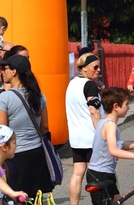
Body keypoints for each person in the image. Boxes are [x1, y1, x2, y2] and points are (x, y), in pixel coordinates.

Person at [86, 87, 134, 205]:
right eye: (126, 104)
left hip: (104, 173)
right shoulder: (110, 125)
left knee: (119, 202)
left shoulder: (105, 121)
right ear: (116, 106)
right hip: (100, 175)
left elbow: (119, 144)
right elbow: (114, 150)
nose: (128, 107)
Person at [0, 55, 55, 196]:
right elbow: (44, 127)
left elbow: (2, 131)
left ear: (14, 72)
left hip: (16, 157)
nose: (2, 72)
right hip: (37, 154)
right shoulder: (39, 95)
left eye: (4, 68)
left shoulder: (5, 98)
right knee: (34, 197)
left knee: (17, 197)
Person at [66, 53, 103, 205]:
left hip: (76, 138)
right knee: (99, 175)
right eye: (95, 67)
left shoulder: (72, 84)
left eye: (99, 66)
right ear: (84, 68)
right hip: (91, 137)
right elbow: (93, 111)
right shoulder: (89, 85)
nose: (98, 70)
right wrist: (103, 134)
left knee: (77, 173)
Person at [0, 125, 28, 203]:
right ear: (4, 147)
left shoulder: (3, 167)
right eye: (14, 142)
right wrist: (12, 193)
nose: (16, 145)